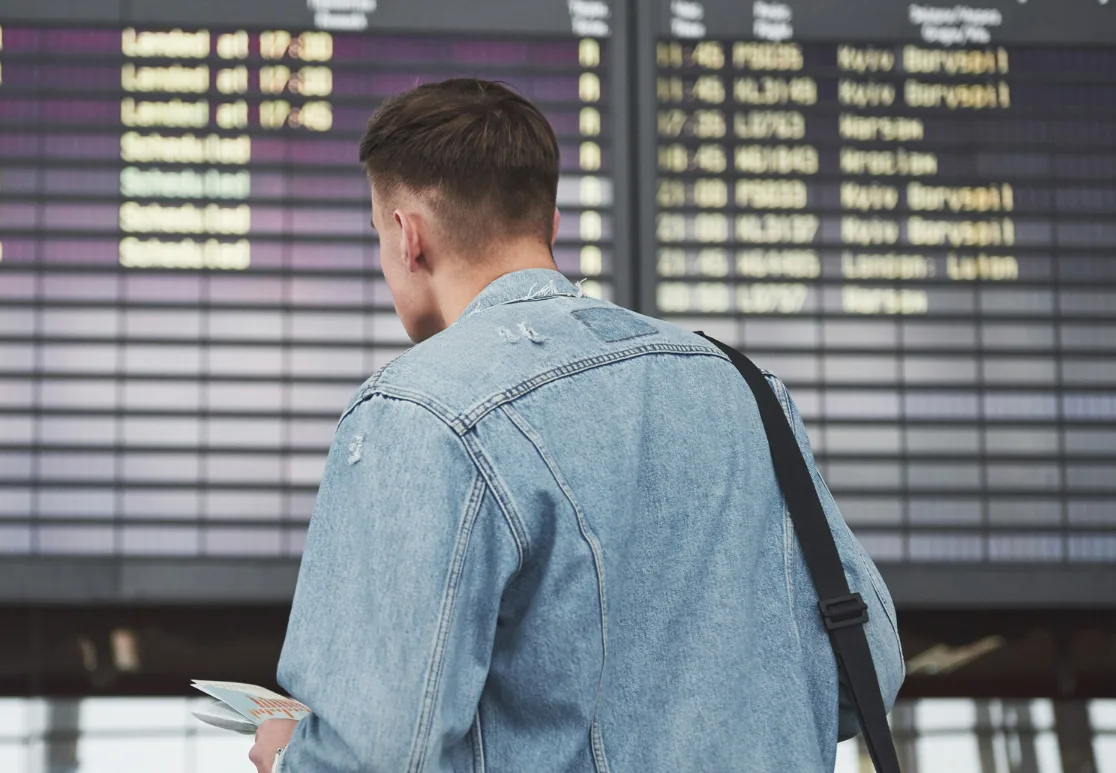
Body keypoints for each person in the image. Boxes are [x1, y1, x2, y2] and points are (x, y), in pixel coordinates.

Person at [247, 78, 904, 772]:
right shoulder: (744, 388)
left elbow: (376, 755)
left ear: (408, 238)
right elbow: (869, 671)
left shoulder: (419, 411)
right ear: (550, 225)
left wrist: (300, 755)